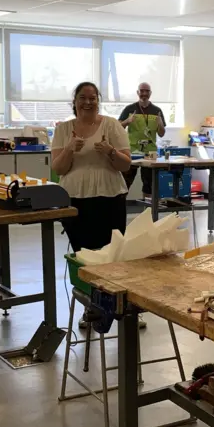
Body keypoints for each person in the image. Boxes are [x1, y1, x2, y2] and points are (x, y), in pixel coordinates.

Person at [51, 82, 145, 328]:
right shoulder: (64, 130)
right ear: (75, 101)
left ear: (98, 100)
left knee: (113, 254)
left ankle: (123, 307)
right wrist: (70, 149)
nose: (88, 102)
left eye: (93, 98)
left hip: (109, 196)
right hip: (75, 197)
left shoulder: (111, 125)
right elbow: (58, 168)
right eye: (83, 97)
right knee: (85, 255)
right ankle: (92, 308)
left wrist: (111, 151)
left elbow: (125, 165)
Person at [118, 82, 166, 199]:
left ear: (150, 93)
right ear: (138, 92)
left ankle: (148, 212)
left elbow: (161, 133)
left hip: (150, 154)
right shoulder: (129, 109)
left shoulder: (157, 111)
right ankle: (119, 209)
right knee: (124, 184)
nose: (144, 93)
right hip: (131, 152)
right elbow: (118, 128)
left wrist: (160, 124)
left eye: (147, 91)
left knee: (149, 185)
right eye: (142, 91)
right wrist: (127, 121)